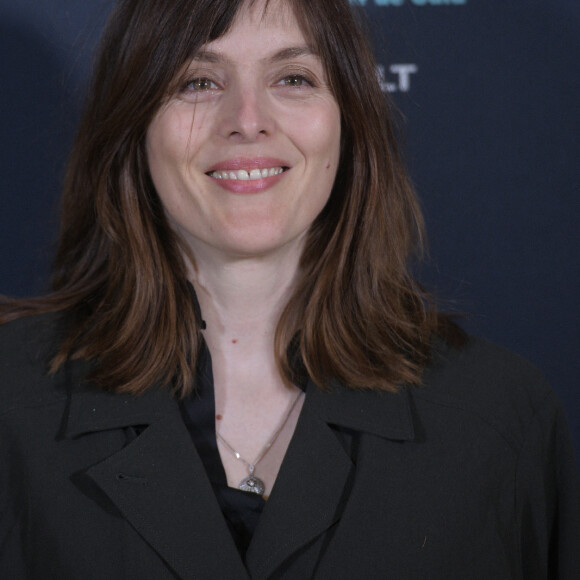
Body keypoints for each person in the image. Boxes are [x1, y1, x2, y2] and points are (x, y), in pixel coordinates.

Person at [1, 0, 578, 577]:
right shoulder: (11, 406)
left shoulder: (501, 419)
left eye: (293, 78)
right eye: (199, 80)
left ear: (349, 120)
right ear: (134, 125)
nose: (248, 119)